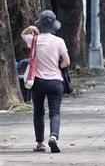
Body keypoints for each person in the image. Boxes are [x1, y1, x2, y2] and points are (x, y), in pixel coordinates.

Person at [21, 10, 71, 153]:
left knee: (38, 112)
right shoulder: (59, 41)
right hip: (56, 82)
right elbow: (67, 62)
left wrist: (30, 28)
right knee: (55, 112)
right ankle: (53, 137)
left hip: (38, 82)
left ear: (40, 24)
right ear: (54, 26)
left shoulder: (33, 39)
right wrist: (57, 66)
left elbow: (23, 35)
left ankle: (40, 144)